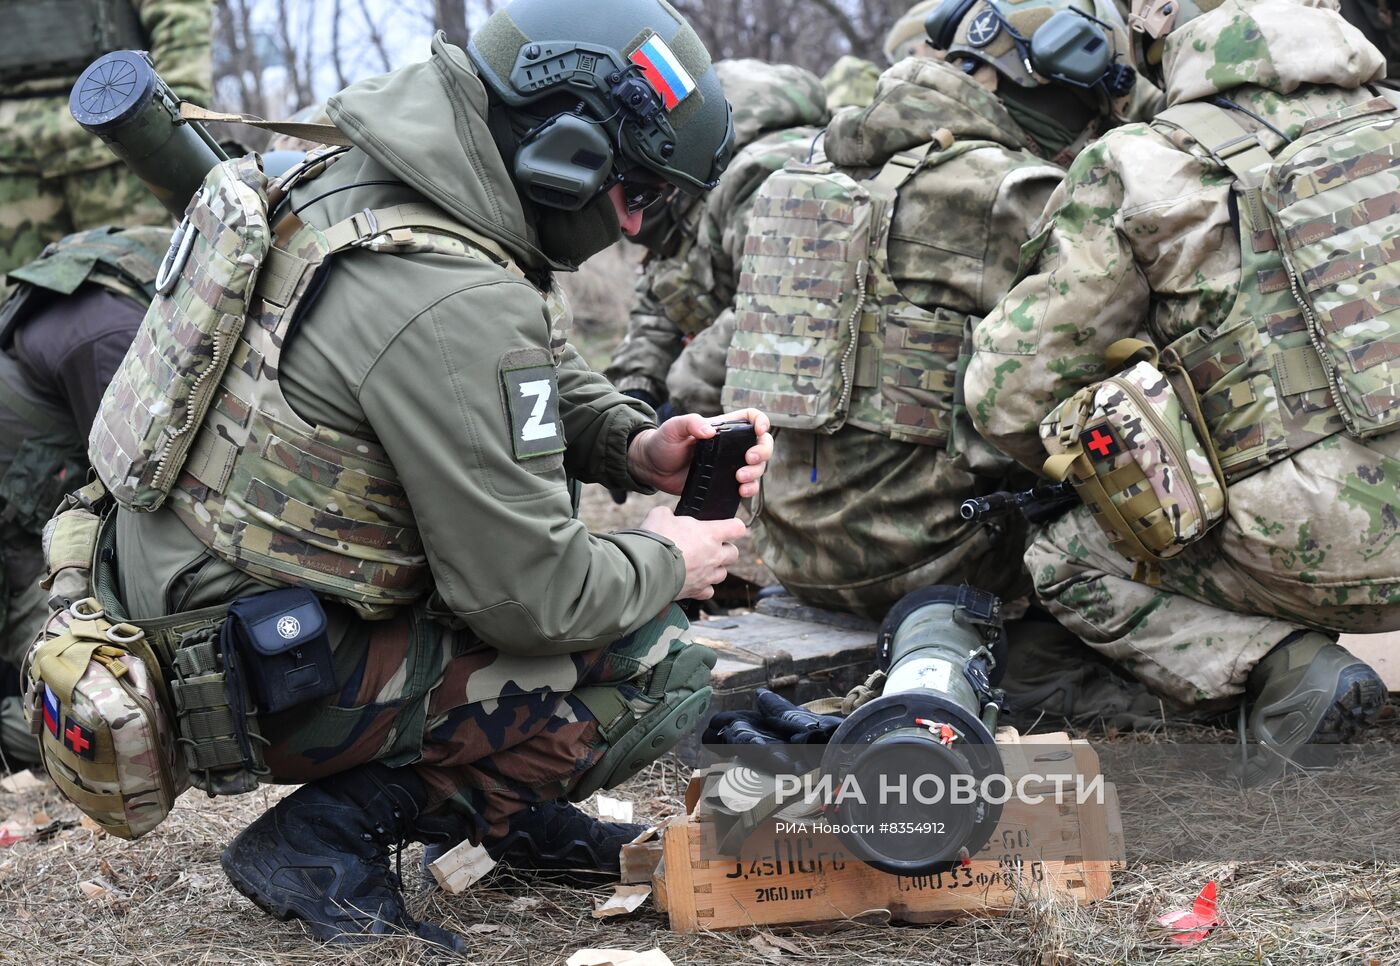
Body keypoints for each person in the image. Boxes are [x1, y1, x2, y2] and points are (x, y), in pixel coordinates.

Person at [75, 0, 770, 949]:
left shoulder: (353, 173)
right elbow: (535, 599)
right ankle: (330, 836)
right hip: (260, 673)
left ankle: (504, 820)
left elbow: (494, 368)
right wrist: (667, 554)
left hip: (186, 618)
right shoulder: (450, 293)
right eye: (637, 192)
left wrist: (630, 444)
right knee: (656, 660)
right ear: (567, 151)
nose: (635, 223)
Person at [965, 0, 1393, 782]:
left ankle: (1287, 665)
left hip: (1323, 550)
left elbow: (1011, 396)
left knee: (1064, 559)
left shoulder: (1142, 163)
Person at [720, 0, 1140, 621]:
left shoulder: (807, 169)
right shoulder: (1010, 192)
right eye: (1087, 113)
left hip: (790, 549)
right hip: (931, 561)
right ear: (1052, 87)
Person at [0, 225, 171, 772]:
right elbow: (146, 498)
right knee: (96, 703)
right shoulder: (112, 338)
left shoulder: (136, 277)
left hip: (39, 509)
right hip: (22, 536)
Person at [604, 59, 829, 416]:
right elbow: (661, 296)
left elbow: (768, 313)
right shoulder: (687, 189)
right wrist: (637, 387)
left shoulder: (764, 178)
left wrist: (677, 401)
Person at [0, 0, 211, 275]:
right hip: (11, 163)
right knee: (18, 307)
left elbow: (181, 15)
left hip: (122, 141)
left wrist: (169, 114)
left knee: (154, 288)